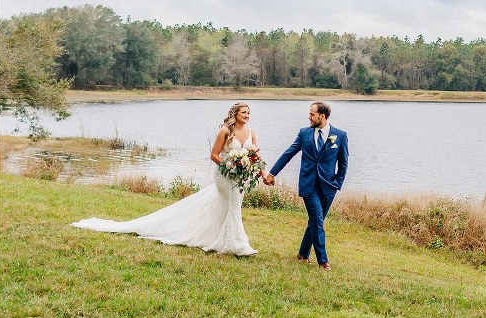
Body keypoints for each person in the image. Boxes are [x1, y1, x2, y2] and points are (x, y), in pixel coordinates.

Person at [72, 102, 263, 256]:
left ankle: (222, 238)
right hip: (225, 174)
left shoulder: (251, 132)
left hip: (241, 177)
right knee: (234, 205)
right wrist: (228, 166)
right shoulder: (225, 131)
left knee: (230, 205)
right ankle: (238, 245)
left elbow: (255, 155)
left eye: (248, 113)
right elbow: (214, 155)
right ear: (235, 114)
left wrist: (259, 171)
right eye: (243, 112)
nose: (247, 115)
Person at [264, 102, 348, 271]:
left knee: (315, 222)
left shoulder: (340, 135)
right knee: (317, 220)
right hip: (309, 185)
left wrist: (337, 183)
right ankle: (323, 261)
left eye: (312, 114)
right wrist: (272, 173)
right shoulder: (304, 134)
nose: (309, 117)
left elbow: (343, 163)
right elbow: (289, 153)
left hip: (328, 187)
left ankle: (303, 254)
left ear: (321, 116)